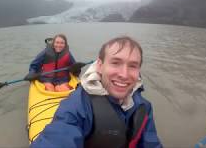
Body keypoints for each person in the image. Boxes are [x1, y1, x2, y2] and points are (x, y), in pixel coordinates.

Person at [31, 36, 163, 147]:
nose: (124, 74)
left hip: (63, 79)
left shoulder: (144, 107)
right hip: (48, 78)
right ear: (99, 65)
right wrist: (32, 73)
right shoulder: (76, 106)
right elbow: (58, 136)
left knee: (63, 87)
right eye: (115, 63)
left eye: (133, 66)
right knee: (49, 87)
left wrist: (75, 69)